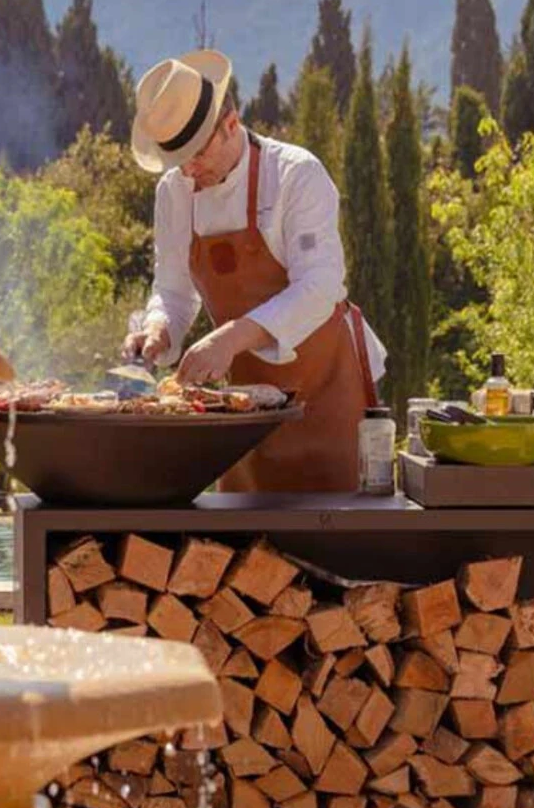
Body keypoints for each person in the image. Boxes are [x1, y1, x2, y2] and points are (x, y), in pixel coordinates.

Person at [123, 48, 386, 492]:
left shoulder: (295, 175)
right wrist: (157, 329)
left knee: (338, 527)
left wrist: (229, 338)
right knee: (242, 532)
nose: (190, 170)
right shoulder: (174, 191)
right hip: (242, 410)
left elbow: (321, 286)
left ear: (231, 124)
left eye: (197, 153)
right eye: (179, 159)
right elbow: (172, 289)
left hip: (329, 392)